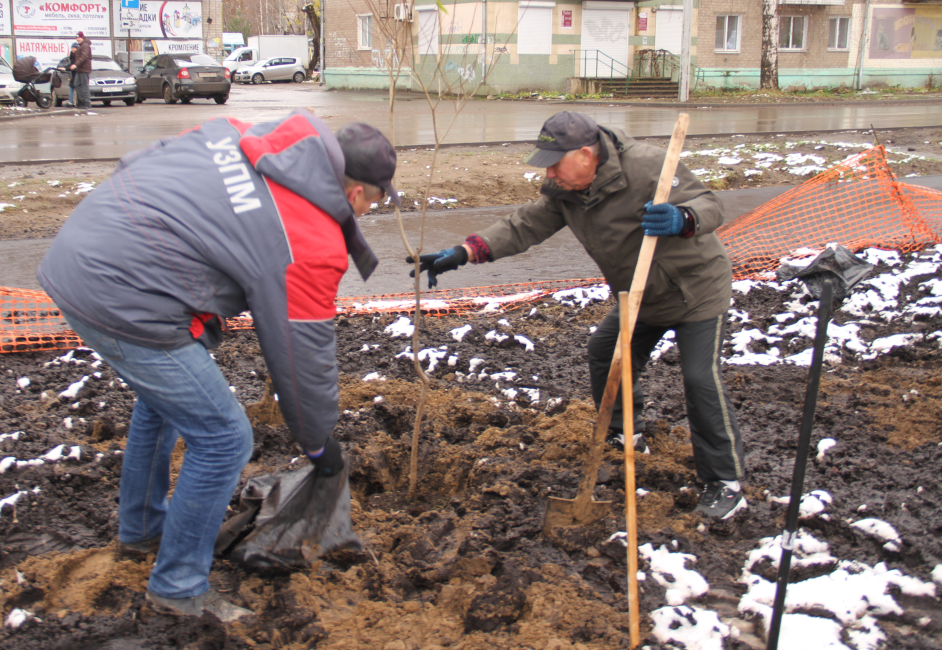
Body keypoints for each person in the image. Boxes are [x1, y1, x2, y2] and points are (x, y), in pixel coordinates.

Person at [37, 110, 395, 621]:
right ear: (357, 193)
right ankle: (178, 587)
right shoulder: (309, 240)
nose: (369, 212)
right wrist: (320, 445)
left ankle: (142, 534)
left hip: (83, 247)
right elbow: (302, 357)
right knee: (225, 437)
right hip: (121, 295)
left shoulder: (240, 135)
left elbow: (144, 162)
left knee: (163, 402)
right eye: (377, 201)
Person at [410, 111, 747, 520]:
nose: (549, 173)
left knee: (699, 377)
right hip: (638, 297)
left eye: (555, 162)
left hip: (695, 290)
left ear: (586, 155)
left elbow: (709, 204)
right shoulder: (565, 191)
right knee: (605, 352)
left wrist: (684, 219)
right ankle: (626, 432)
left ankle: (725, 481)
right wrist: (465, 252)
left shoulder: (646, 166)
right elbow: (524, 225)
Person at [70, 31, 92, 109]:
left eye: (79, 37)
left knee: (84, 86)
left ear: (82, 37)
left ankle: (87, 103)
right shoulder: (81, 45)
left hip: (84, 69)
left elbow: (84, 57)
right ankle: (83, 102)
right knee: (76, 84)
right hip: (79, 69)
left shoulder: (85, 45)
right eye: (77, 38)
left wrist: (76, 65)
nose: (77, 39)